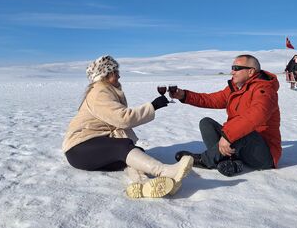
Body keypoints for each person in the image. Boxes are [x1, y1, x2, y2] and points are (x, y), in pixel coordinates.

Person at [62, 55, 193, 199]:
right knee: (122, 147)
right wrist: (153, 106)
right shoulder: (99, 93)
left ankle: (143, 184)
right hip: (79, 148)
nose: (119, 75)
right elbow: (123, 118)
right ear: (105, 75)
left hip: (92, 149)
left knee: (134, 153)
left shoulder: (107, 90)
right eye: (115, 72)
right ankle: (165, 171)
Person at [170, 54, 281, 177]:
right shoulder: (237, 88)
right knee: (206, 123)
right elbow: (211, 99)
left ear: (250, 71)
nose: (232, 72)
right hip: (241, 146)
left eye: (236, 68)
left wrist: (228, 135)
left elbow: (257, 114)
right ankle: (229, 162)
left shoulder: (264, 90)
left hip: (263, 154)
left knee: (240, 131)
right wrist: (184, 95)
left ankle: (205, 160)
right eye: (232, 68)